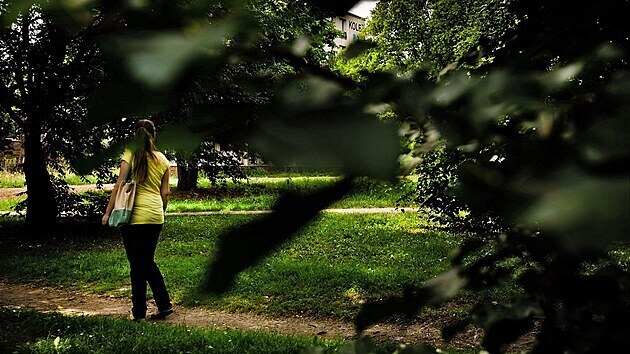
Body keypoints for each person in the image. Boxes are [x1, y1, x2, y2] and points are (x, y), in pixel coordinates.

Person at [102, 119, 174, 321]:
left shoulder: (130, 154)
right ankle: (164, 304)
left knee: (137, 264)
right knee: (146, 262)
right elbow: (165, 193)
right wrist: (161, 211)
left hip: (133, 216)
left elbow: (119, 185)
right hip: (155, 215)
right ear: (154, 134)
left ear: (136, 134)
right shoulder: (163, 160)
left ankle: (139, 313)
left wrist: (108, 212)